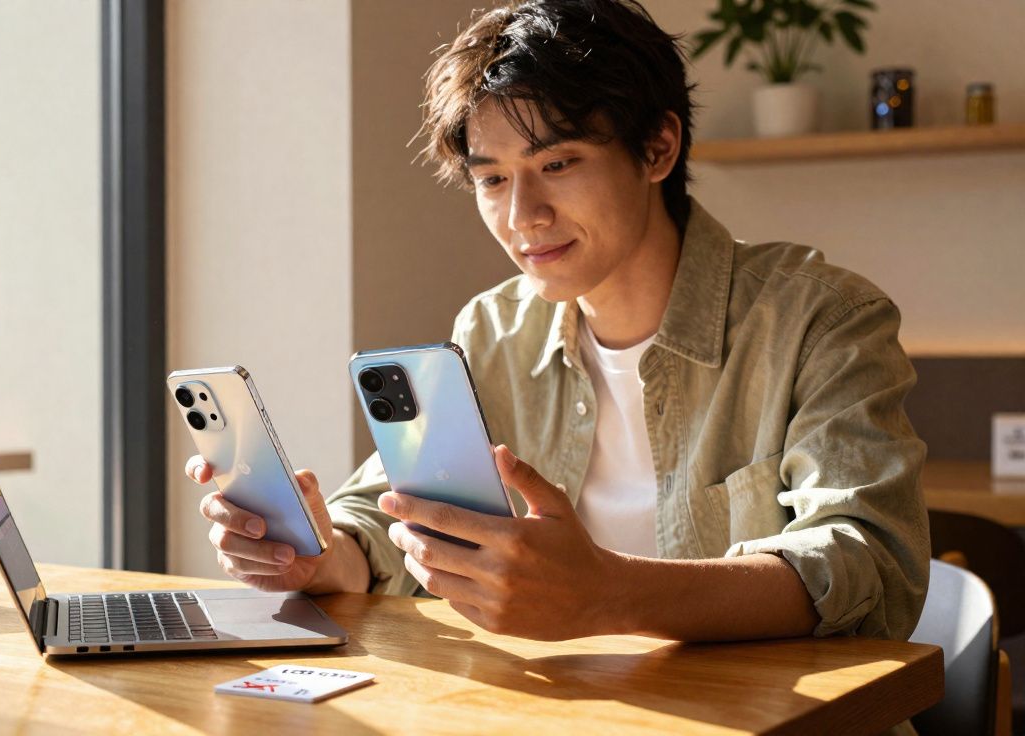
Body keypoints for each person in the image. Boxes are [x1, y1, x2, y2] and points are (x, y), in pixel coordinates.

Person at [185, 0, 928, 644]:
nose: (522, 217)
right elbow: (393, 514)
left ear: (658, 147)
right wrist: (323, 557)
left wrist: (610, 592)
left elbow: (868, 562)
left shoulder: (819, 317)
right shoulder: (492, 331)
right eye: (493, 179)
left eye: (560, 164)